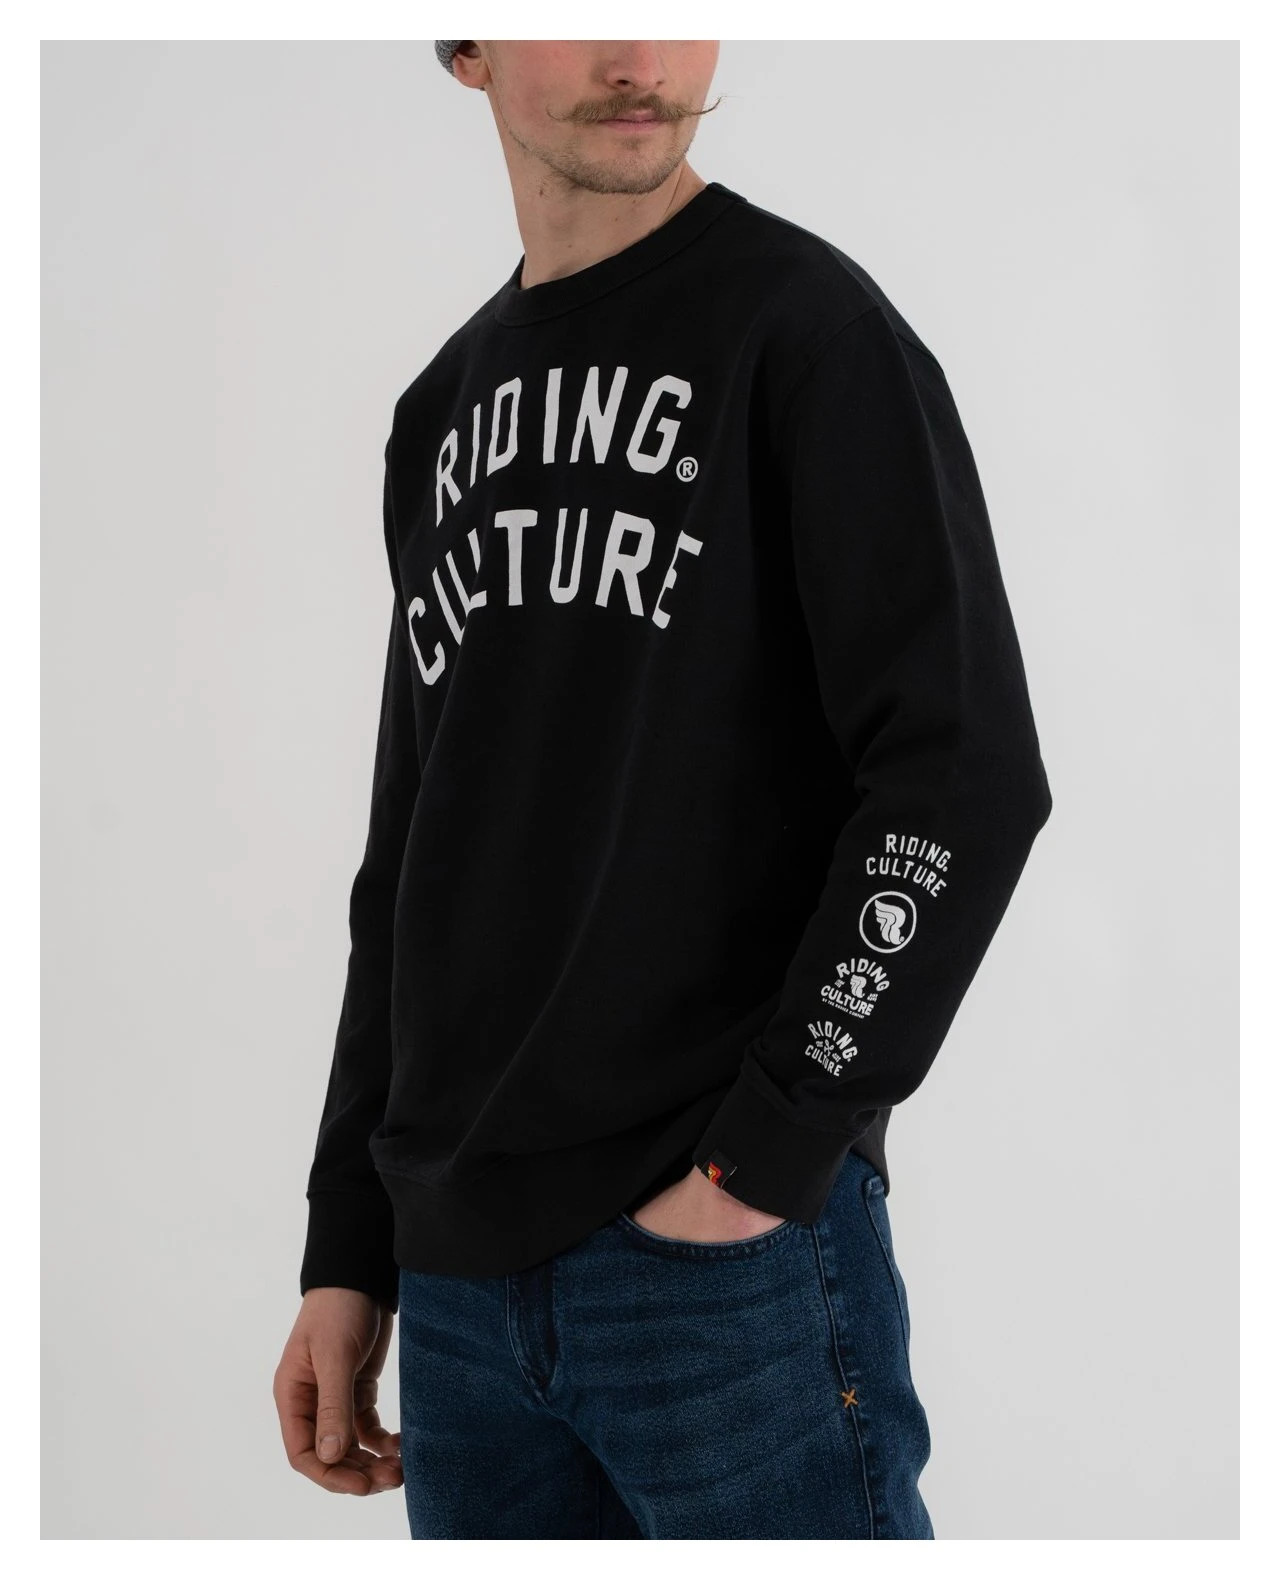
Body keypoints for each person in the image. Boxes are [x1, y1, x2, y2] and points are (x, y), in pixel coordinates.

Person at [272, 39, 1053, 1540]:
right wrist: (349, 1244)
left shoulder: (809, 333)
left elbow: (961, 776)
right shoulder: (440, 414)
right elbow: (413, 859)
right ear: (465, 46)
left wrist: (766, 1157)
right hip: (457, 1297)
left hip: (717, 1266)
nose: (638, 55)